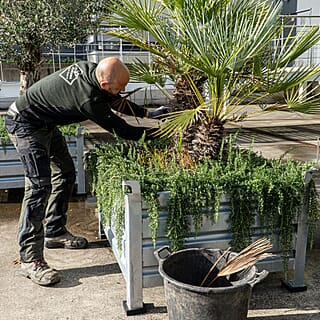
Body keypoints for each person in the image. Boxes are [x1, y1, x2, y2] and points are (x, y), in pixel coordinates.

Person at [5, 57, 168, 286]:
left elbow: (115, 100)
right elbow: (121, 129)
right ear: (104, 85)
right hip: (25, 124)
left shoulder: (92, 71)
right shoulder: (88, 99)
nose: (122, 92)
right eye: (119, 88)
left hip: (44, 123)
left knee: (65, 174)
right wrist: (157, 135)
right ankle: (29, 259)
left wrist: (148, 114)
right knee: (39, 186)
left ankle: (55, 231)